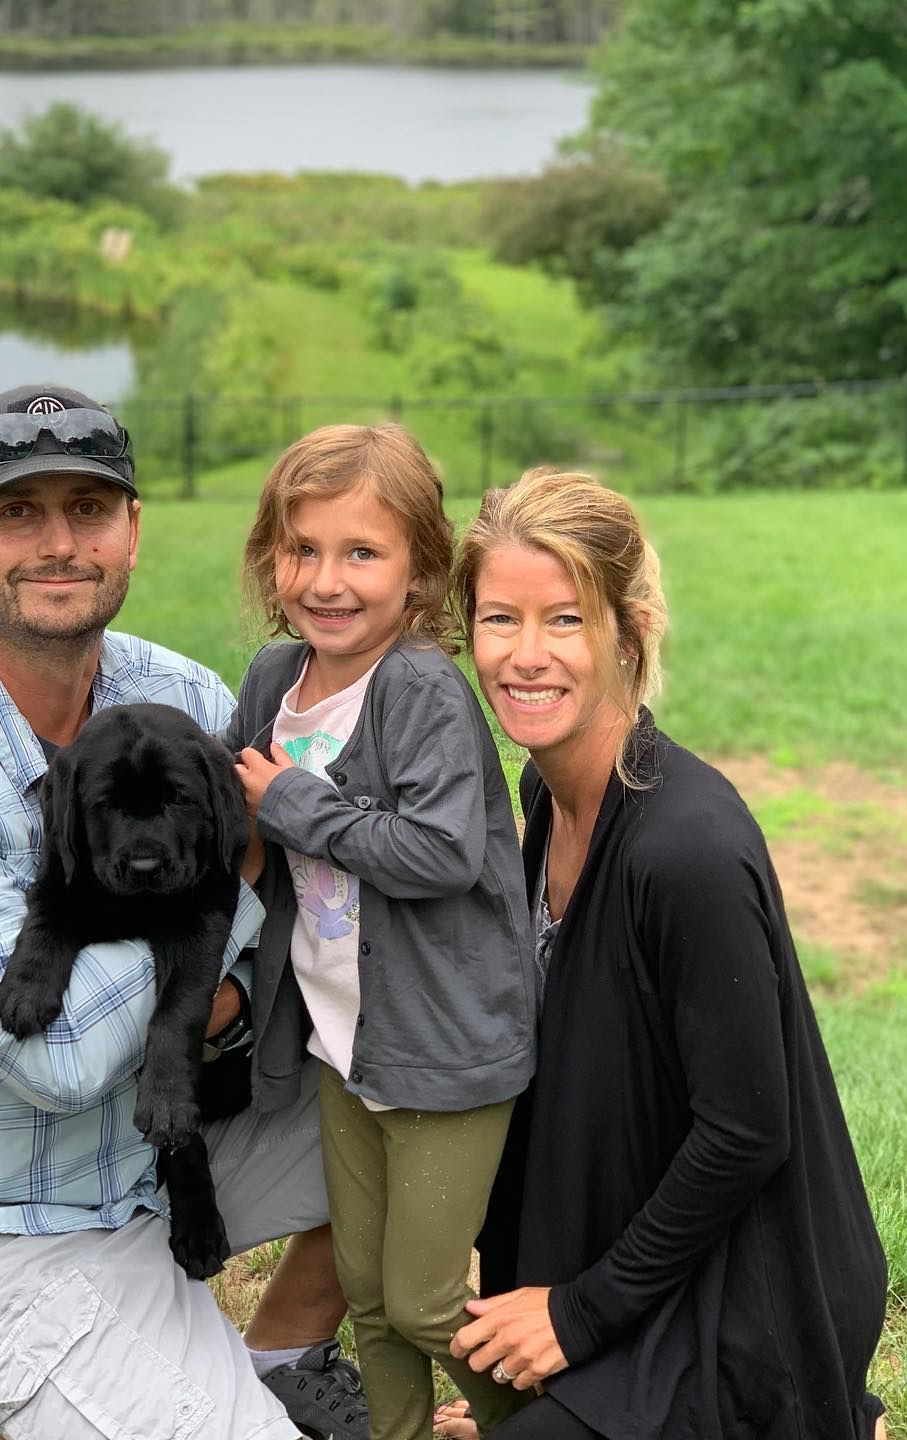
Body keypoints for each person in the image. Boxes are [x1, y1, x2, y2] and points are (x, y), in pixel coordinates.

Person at [0, 384, 369, 1440]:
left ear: (133, 532)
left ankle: (279, 1357)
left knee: (449, 1096)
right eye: (17, 513)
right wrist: (227, 907)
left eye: (89, 509)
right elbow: (53, 1061)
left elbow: (291, 876)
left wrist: (238, 986)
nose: (59, 543)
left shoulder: (183, 697)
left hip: (149, 1157)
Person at [432, 467, 894, 1440]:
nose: (525, 655)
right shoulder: (542, 798)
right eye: (499, 619)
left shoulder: (685, 848)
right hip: (618, 1265)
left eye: (564, 620)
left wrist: (576, 1317)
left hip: (743, 1306)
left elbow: (746, 1132)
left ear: (628, 632)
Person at [226, 423, 538, 1440]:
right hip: (342, 1039)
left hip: (447, 1049)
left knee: (427, 1301)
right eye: (302, 549)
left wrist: (294, 807)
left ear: (419, 576)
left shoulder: (420, 690)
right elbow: (242, 815)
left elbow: (443, 854)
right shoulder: (276, 681)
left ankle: (556, 1426)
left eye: (362, 553)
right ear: (272, 558)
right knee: (364, 1291)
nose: (327, 579)